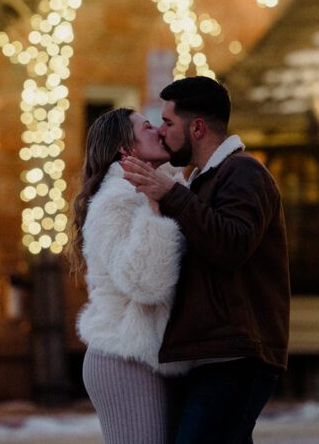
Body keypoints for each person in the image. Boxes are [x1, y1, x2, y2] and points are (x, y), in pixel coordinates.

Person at [121, 76, 290, 444]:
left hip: (235, 357)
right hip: (208, 356)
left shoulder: (244, 172)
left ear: (197, 127)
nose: (162, 133)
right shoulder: (199, 182)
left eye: (168, 123)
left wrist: (171, 197)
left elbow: (232, 244)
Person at [71, 108, 191, 444]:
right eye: (148, 127)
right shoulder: (116, 201)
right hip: (123, 356)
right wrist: (154, 211)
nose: (159, 131)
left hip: (154, 358)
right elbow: (145, 283)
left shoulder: (167, 190)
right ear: (127, 149)